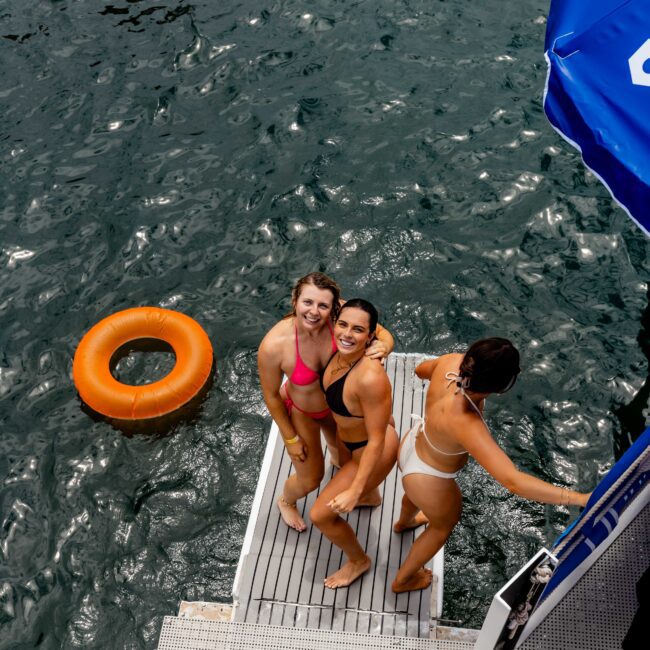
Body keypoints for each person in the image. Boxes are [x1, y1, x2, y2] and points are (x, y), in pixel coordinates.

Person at [392, 338, 592, 593]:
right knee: (442, 525)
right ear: (502, 386)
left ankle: (404, 522)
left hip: (412, 444)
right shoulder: (467, 423)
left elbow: (421, 369)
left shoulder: (450, 361)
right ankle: (404, 579)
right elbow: (513, 481)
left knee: (415, 497)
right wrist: (577, 497)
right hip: (428, 476)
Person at [258, 274, 394, 532]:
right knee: (310, 479)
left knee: (344, 461)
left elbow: (380, 331)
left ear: (334, 308)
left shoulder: (341, 317)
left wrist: (385, 346)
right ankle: (286, 500)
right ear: (295, 300)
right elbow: (272, 396)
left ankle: (342, 468)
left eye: (323, 306)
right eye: (307, 302)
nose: (314, 311)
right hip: (305, 413)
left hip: (339, 410)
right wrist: (290, 439)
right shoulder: (274, 346)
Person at [309, 299, 399, 588]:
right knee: (342, 468)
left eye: (358, 330)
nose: (347, 334)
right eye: (343, 324)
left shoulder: (370, 376)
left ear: (371, 336)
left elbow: (377, 440)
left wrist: (354, 491)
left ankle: (359, 561)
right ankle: (371, 498)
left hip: (372, 446)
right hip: (347, 437)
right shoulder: (340, 347)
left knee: (320, 515)